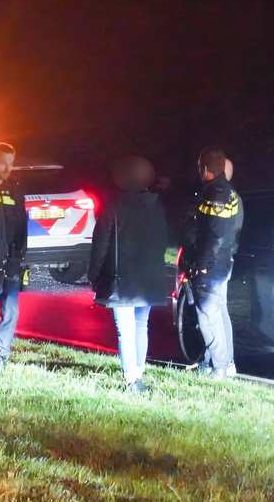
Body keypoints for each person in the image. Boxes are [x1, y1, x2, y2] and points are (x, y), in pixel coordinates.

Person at [88, 156, 171, 392]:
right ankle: (139, 373)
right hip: (149, 278)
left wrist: (94, 274)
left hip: (121, 279)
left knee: (125, 329)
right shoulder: (157, 207)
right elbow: (164, 241)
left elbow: (100, 244)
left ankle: (131, 378)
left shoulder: (113, 207)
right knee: (141, 325)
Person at [184, 147, 243, 378]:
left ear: (205, 168)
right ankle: (225, 364)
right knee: (219, 313)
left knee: (207, 315)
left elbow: (214, 234)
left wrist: (202, 263)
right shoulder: (228, 193)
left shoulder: (215, 194)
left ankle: (219, 368)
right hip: (223, 262)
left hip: (212, 264)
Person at [0, 142, 28, 373]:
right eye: (3, 162)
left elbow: (21, 222)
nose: (8, 168)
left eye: (11, 163)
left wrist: (22, 254)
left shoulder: (15, 188)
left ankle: (0, 361)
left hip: (11, 259)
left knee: (11, 312)